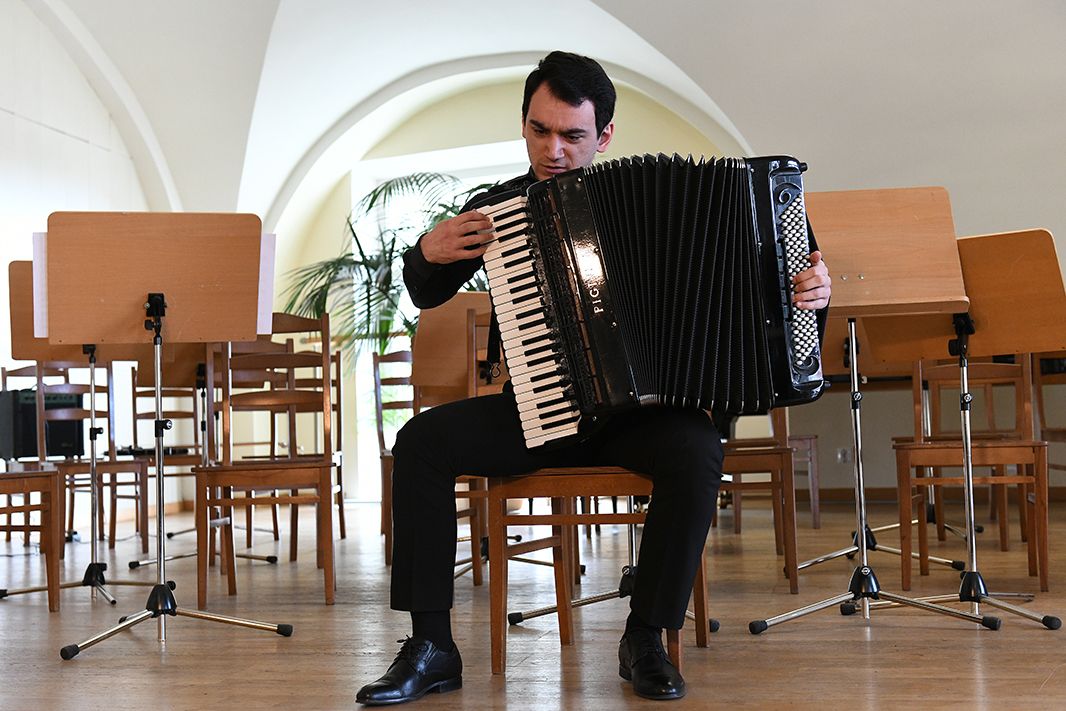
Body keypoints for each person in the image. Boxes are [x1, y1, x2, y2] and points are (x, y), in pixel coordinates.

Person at [356, 50, 832, 705]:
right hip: (538, 409)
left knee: (697, 447)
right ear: (524, 124)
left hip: (639, 419)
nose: (552, 150)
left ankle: (645, 638)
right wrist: (424, 253)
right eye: (539, 130)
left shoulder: (668, 204)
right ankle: (432, 646)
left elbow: (780, 304)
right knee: (419, 442)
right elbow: (426, 290)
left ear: (604, 136)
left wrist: (812, 294)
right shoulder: (498, 210)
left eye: (572, 135)